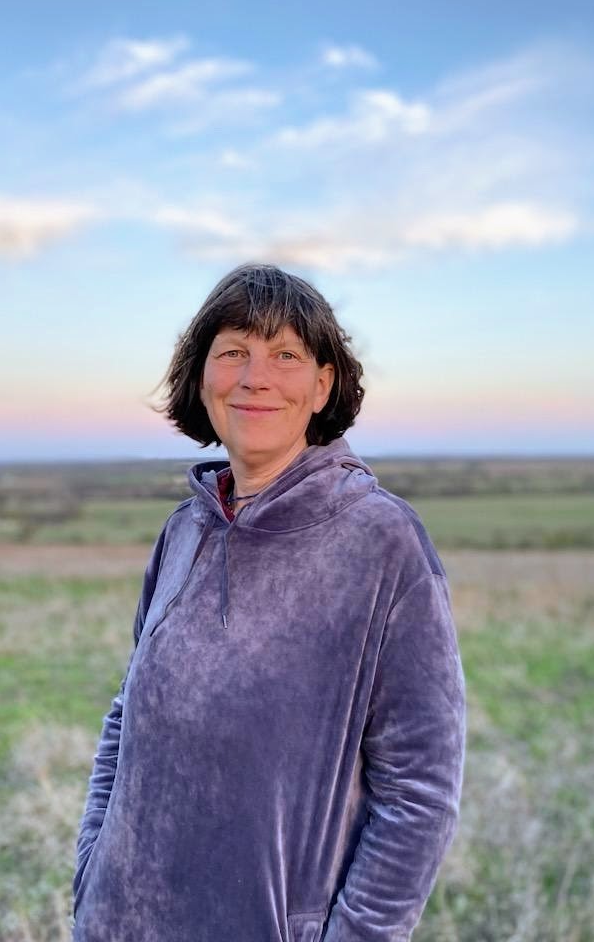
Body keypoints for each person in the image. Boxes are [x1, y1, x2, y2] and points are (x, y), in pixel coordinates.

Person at [72, 263, 466, 942]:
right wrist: (92, 871)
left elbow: (420, 791)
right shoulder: (184, 529)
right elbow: (126, 712)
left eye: (285, 354)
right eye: (233, 353)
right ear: (202, 377)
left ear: (323, 385)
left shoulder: (380, 541)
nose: (255, 376)